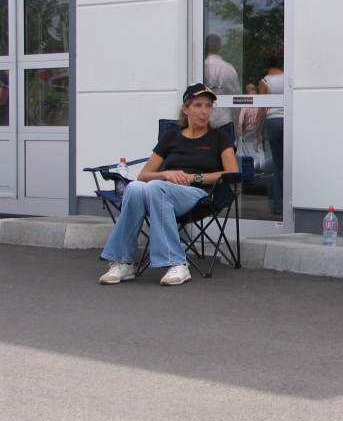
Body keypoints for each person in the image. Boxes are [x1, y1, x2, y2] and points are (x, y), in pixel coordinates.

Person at [98, 83, 238, 286]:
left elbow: (232, 173)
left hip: (197, 195)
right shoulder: (171, 137)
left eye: (208, 106)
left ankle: (177, 263)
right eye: (198, 105)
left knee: (155, 187)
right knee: (135, 188)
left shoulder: (219, 137)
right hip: (161, 192)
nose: (204, 111)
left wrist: (194, 178)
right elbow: (144, 175)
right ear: (186, 108)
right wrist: (167, 174)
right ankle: (123, 262)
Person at [258, 46, 285, 215]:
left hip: (273, 122)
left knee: (276, 166)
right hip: (289, 122)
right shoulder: (287, 78)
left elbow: (262, 109)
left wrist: (256, 132)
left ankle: (277, 206)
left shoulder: (265, 82)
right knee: (288, 164)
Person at [203, 33, 240, 127]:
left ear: (205, 47)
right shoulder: (228, 68)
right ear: (220, 47)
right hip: (225, 118)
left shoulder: (200, 68)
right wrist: (237, 120)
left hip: (204, 117)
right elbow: (236, 95)